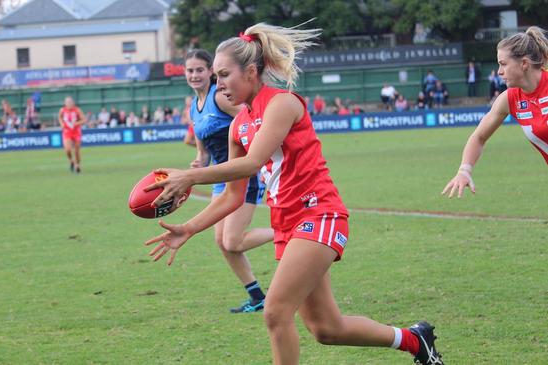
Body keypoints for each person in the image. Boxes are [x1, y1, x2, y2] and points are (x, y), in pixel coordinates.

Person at [144, 23, 443, 365]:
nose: (218, 82)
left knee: (274, 312)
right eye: (216, 75)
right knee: (327, 329)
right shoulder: (239, 125)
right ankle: (414, 340)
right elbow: (232, 196)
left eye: (224, 74)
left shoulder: (282, 104)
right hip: (287, 224)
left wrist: (190, 177)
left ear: (252, 72)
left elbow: (253, 163)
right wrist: (189, 228)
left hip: (319, 214)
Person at [183, 48, 273, 313]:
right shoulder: (194, 106)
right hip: (221, 178)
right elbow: (203, 151)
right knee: (222, 242)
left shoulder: (220, 97)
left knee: (233, 241)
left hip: (245, 173)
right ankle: (257, 296)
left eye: (200, 69)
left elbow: (253, 119)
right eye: (190, 70)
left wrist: (255, 154)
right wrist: (199, 162)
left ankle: (289, 233)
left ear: (211, 71)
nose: (195, 75)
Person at [443, 26, 548, 198]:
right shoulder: (509, 99)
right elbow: (479, 137)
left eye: (503, 64)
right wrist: (464, 170)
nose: (499, 72)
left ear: (524, 64)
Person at [58, 96, 86, 173]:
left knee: (77, 150)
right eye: (67, 102)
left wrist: (76, 123)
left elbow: (84, 120)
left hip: (76, 132)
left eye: (70, 102)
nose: (69, 104)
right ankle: (71, 160)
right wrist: (61, 124)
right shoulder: (62, 110)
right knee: (68, 150)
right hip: (67, 132)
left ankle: (78, 165)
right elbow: (60, 117)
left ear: (73, 103)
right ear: (65, 103)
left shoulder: (77, 110)